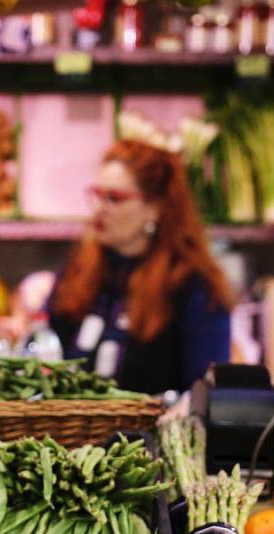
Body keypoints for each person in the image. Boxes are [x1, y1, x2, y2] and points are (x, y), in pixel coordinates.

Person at [48, 139, 234, 395]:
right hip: (67, 432)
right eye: (97, 195)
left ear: (155, 207)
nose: (99, 209)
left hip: (149, 435)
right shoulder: (76, 271)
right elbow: (43, 350)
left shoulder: (193, 286)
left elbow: (206, 390)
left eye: (115, 198)